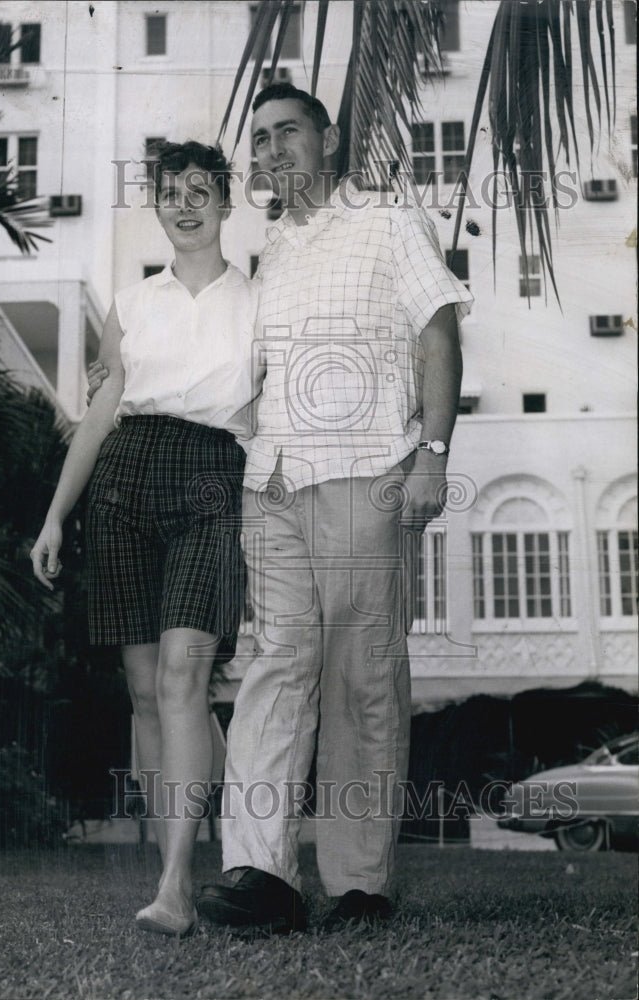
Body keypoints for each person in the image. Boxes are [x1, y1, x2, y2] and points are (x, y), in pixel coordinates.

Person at [192, 83, 473, 934]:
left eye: (288, 133)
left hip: (367, 474)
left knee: (362, 681)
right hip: (272, 484)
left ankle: (359, 883)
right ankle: (258, 872)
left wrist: (431, 456)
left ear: (330, 138)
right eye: (260, 140)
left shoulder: (388, 221)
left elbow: (438, 335)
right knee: (274, 672)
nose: (272, 152)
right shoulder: (267, 253)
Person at [32, 141, 259, 937]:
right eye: (172, 192)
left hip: (212, 479)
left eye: (203, 190)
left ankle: (176, 885)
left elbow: (265, 421)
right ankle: (224, 853)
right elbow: (101, 410)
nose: (187, 203)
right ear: (157, 205)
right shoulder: (131, 304)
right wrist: (58, 513)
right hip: (125, 479)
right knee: (144, 693)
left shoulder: (259, 302)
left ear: (226, 203)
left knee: (181, 678)